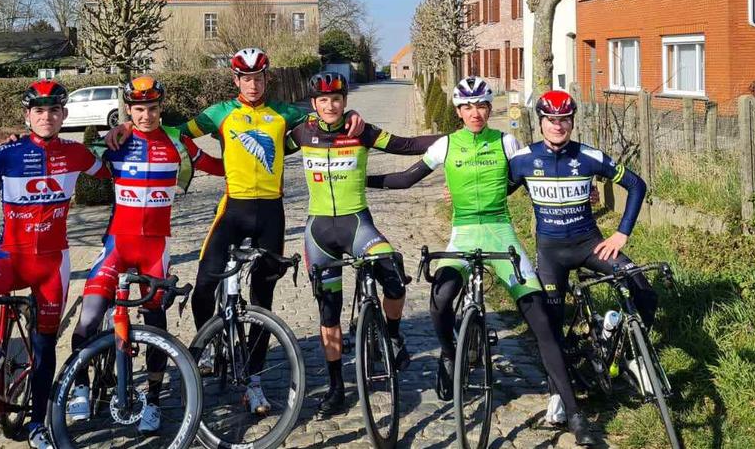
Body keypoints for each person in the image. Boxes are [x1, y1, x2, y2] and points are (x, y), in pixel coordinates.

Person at [104, 47, 365, 415]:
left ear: (266, 79)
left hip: (271, 214)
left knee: (263, 298)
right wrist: (128, 124)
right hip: (233, 209)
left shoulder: (284, 113)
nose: (253, 85)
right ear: (236, 80)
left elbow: (325, 115)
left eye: (259, 78)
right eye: (246, 79)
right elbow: (174, 131)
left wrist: (350, 113)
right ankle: (210, 345)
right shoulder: (220, 113)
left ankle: (254, 382)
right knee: (205, 284)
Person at [366, 77, 599, 445]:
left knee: (539, 317)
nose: (475, 113)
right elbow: (406, 179)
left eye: (482, 106)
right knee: (441, 299)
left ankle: (573, 412)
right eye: (468, 107)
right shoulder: (446, 144)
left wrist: (585, 186)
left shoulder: (506, 141)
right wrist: (360, 180)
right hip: (462, 234)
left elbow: (528, 175)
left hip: (500, 231)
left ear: (490, 109)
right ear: (458, 111)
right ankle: (448, 354)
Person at [0, 80, 108, 449]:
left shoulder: (76, 153)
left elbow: (113, 171)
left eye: (54, 111)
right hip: (9, 260)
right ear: (27, 115)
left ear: (63, 114)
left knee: (45, 347)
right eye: (39, 111)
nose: (46, 117)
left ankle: (36, 424)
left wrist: (123, 132)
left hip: (52, 266)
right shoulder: (6, 153)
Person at [67, 75, 224, 432]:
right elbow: (70, 154)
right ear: (128, 110)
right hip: (117, 246)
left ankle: (152, 399)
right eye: (138, 109)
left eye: (152, 109)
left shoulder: (176, 142)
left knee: (156, 324)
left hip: (155, 249)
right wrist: (20, 141)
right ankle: (79, 387)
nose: (146, 116)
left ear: (160, 108)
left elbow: (218, 167)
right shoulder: (118, 142)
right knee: (90, 317)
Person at [289, 71, 438, 416]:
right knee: (329, 312)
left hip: (358, 224)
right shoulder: (300, 133)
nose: (331, 105)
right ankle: (337, 387)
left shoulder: (361, 131)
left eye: (337, 99)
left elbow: (406, 144)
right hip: (318, 232)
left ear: (345, 101)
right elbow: (267, 139)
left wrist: (456, 135)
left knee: (393, 274)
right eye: (323, 100)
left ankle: (394, 335)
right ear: (314, 104)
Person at [507, 89, 657, 426]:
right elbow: (494, 193)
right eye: (551, 120)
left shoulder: (589, 156)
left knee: (643, 288)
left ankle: (631, 356)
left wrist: (621, 233)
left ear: (573, 122)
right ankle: (558, 395)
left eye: (564, 120)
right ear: (541, 122)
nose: (558, 126)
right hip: (550, 254)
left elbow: (637, 185)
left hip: (591, 244)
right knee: (551, 326)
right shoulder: (523, 160)